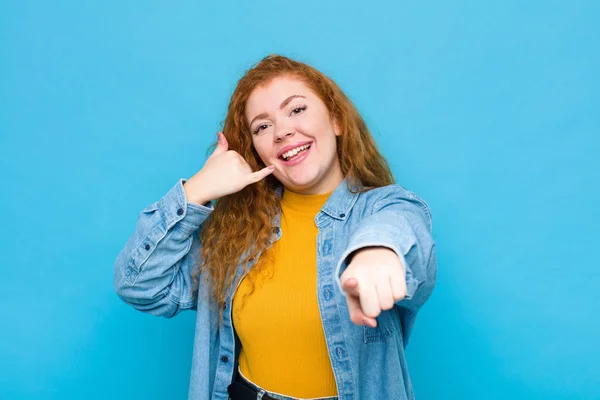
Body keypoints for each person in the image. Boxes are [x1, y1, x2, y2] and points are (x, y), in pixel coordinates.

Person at [114, 54, 437, 400]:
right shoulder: (238, 231)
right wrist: (196, 191)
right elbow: (138, 285)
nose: (282, 132)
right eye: (262, 126)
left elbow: (403, 231)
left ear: (337, 119)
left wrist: (377, 253)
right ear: (255, 149)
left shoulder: (386, 207)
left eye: (296, 110)